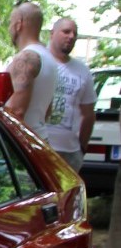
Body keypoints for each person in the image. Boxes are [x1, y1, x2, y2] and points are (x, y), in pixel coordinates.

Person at [37, 17, 96, 171]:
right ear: (52, 33)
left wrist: (81, 147)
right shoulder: (37, 61)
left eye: (74, 34)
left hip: (69, 153)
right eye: (66, 31)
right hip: (38, 147)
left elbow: (88, 114)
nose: (71, 36)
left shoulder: (82, 71)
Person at [4, 2, 59, 133]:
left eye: (10, 22)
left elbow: (17, 111)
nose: (9, 28)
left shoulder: (26, 57)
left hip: (19, 142)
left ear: (19, 24)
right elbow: (48, 110)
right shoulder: (49, 57)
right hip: (39, 138)